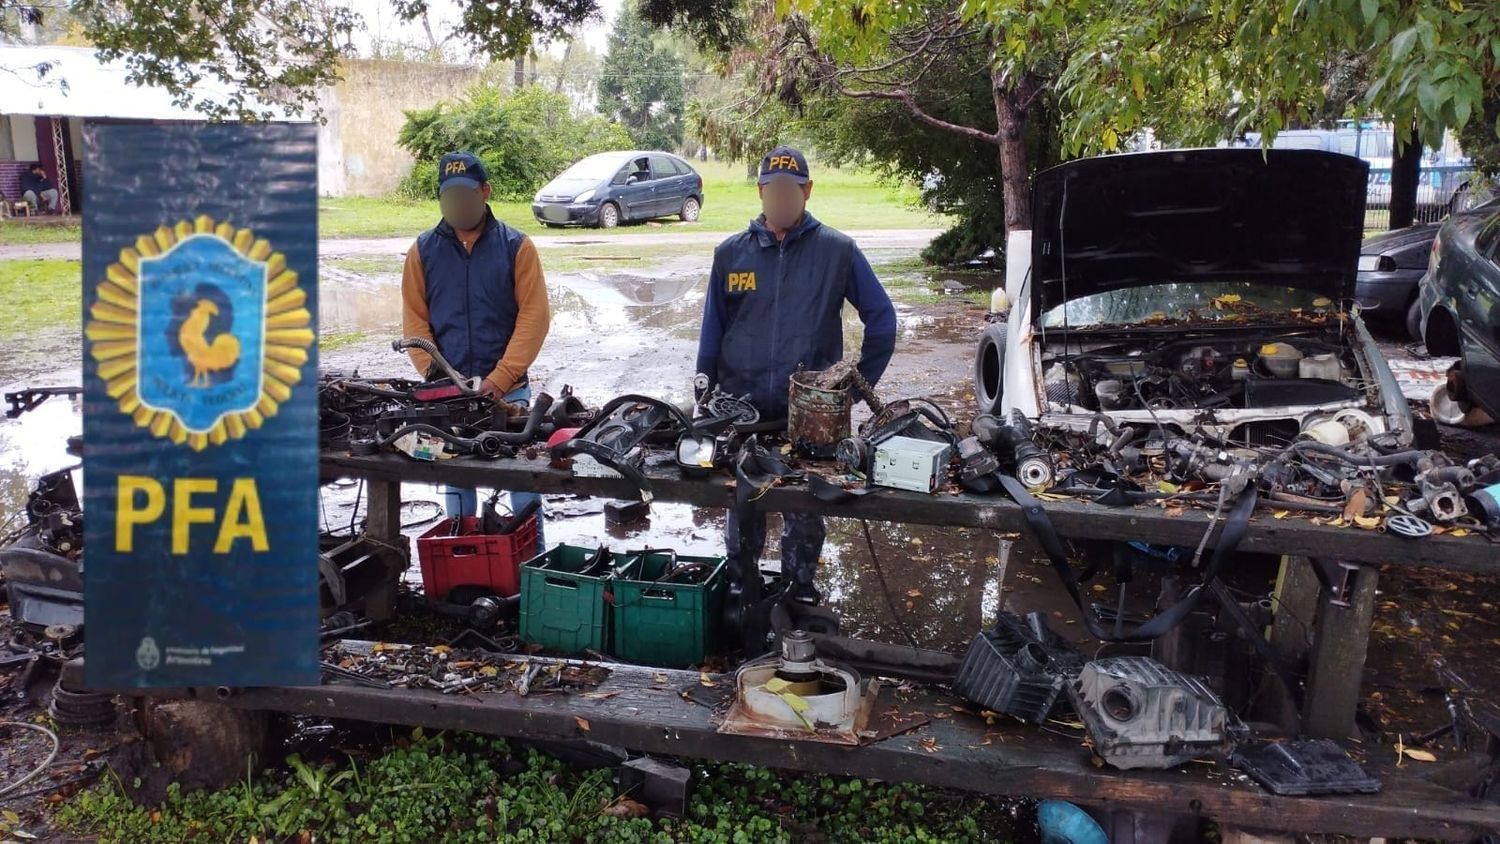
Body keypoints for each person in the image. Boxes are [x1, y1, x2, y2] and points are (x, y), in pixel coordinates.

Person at [695, 145, 897, 604]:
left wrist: (851, 392)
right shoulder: (731, 254)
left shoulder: (838, 252)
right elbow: (712, 331)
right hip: (740, 414)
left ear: (806, 191)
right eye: (772, 190)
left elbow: (882, 320)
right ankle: (740, 590)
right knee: (742, 502)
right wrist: (703, 396)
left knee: (805, 509)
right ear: (762, 192)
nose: (781, 199)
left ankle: (799, 591)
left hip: (808, 420)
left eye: (791, 190)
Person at [400, 151, 551, 547]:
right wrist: (438, 377)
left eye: (465, 196)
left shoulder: (517, 247)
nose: (457, 206)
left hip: (509, 395)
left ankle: (532, 569)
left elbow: (534, 319)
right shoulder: (422, 251)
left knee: (522, 485)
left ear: (485, 192)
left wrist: (500, 380)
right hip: (448, 398)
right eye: (448, 198)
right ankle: (463, 567)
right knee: (455, 484)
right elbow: (415, 321)